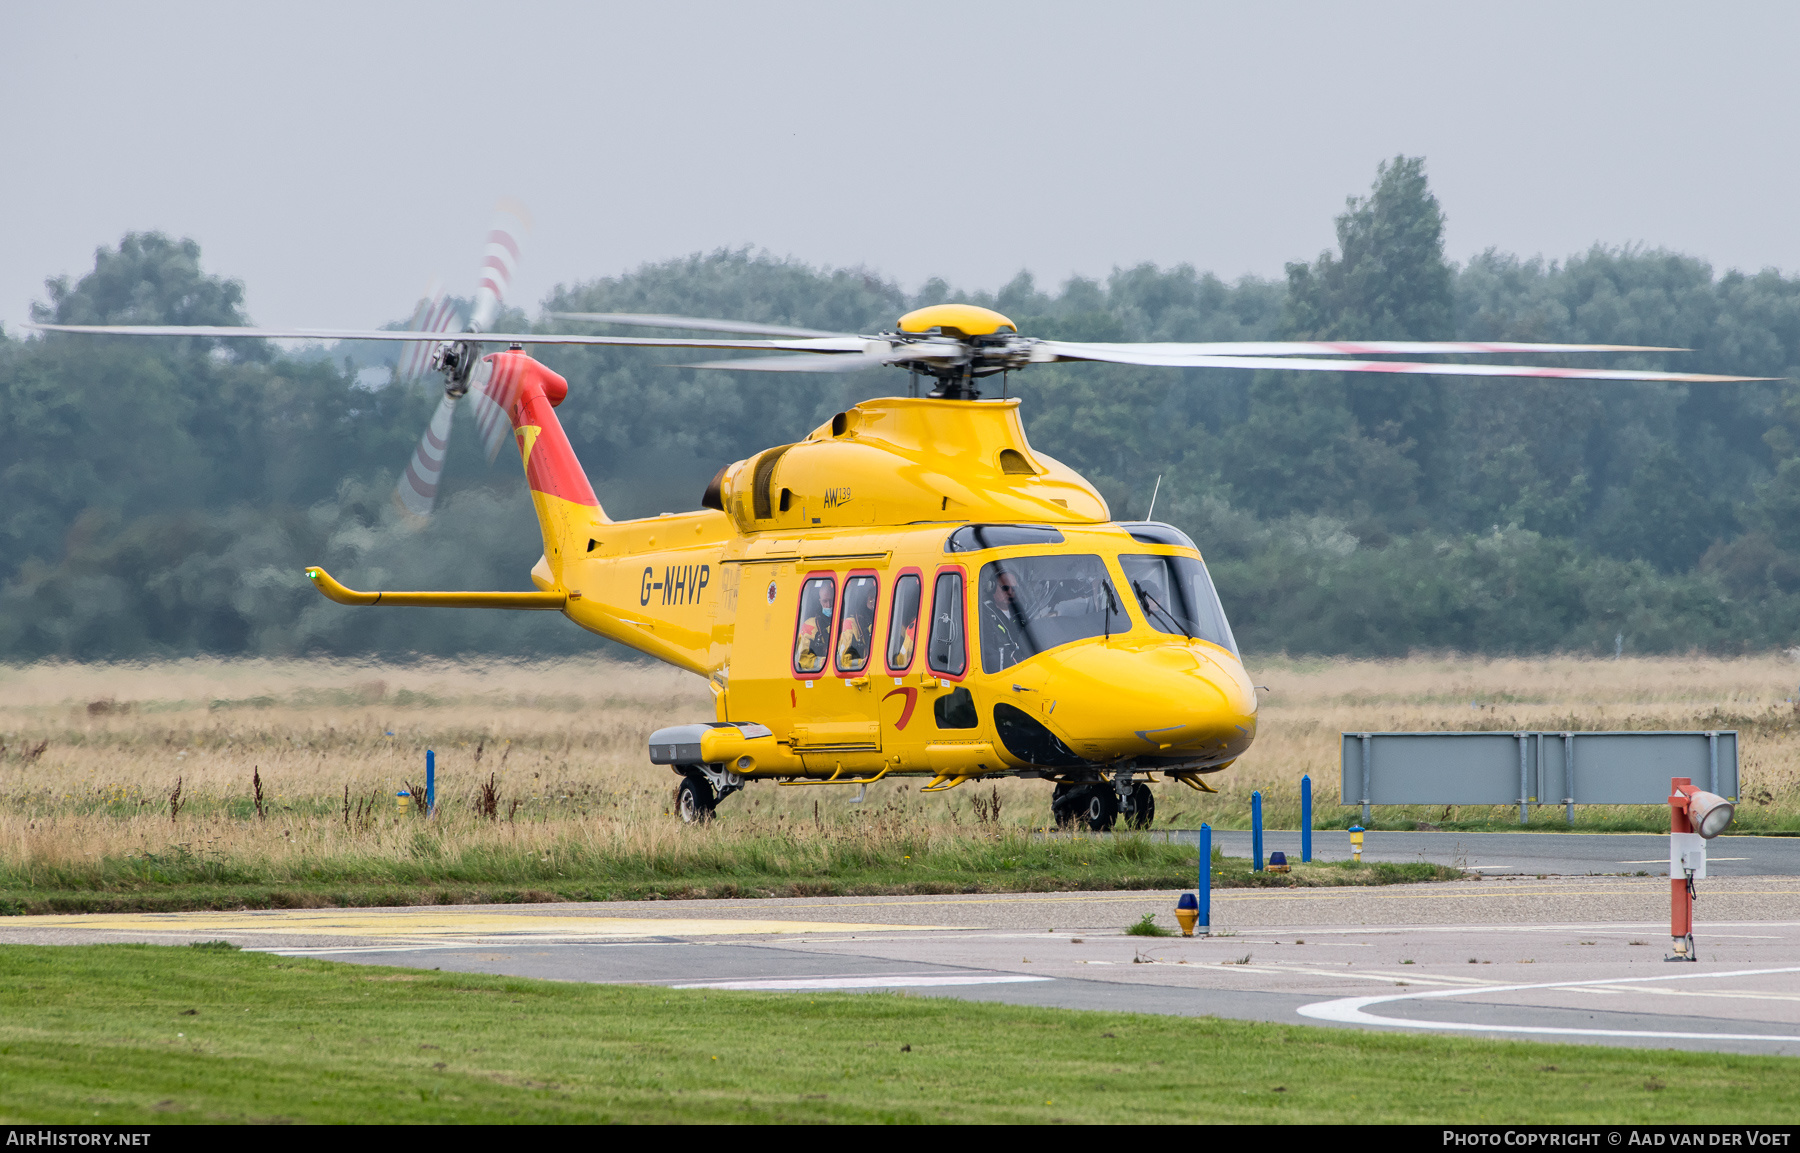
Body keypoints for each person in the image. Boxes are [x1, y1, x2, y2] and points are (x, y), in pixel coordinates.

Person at [836, 580, 876, 670]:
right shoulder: (850, 624)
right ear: (864, 599)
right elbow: (845, 660)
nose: (873, 601)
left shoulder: (882, 620)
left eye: (876, 598)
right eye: (871, 598)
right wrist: (862, 663)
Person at [794, 584, 831, 672]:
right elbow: (803, 658)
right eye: (825, 601)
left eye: (831, 600)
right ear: (820, 601)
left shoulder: (843, 623)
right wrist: (822, 662)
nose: (828, 605)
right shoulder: (810, 625)